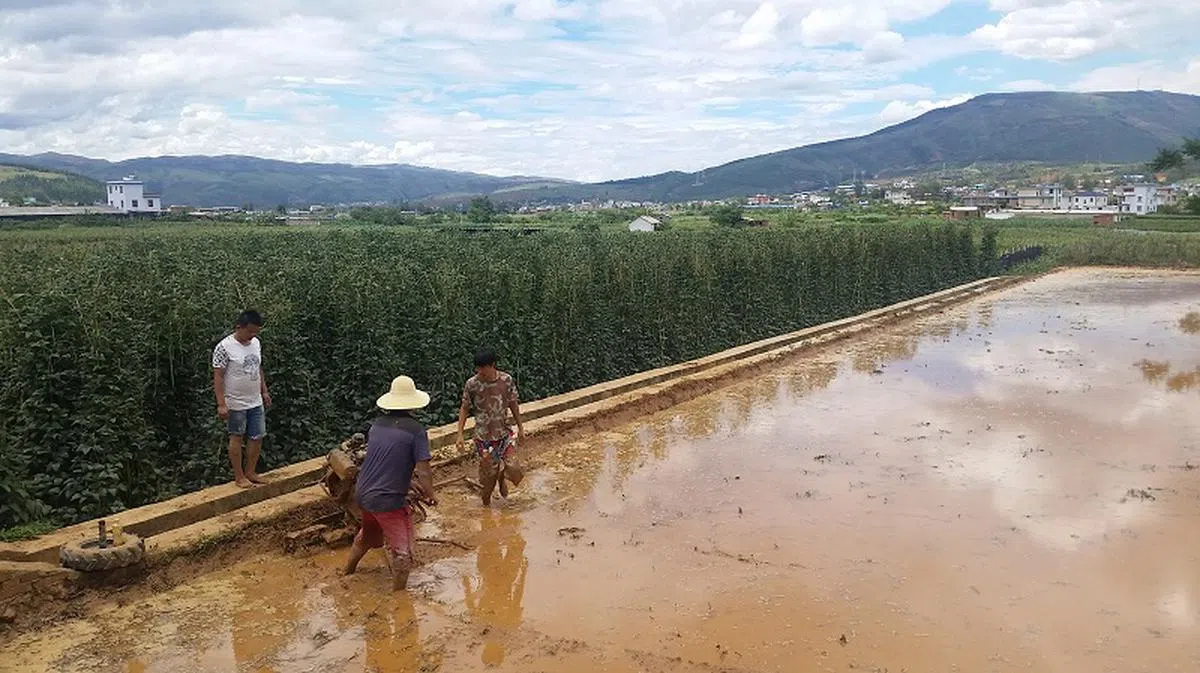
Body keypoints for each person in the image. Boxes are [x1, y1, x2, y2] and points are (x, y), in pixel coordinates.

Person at [344, 375, 437, 591]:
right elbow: (424, 471)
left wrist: (408, 483)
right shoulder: (416, 430)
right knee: (403, 553)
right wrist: (431, 494)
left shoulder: (377, 426)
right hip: (388, 500)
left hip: (363, 493)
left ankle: (347, 571)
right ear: (414, 404)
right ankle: (399, 599)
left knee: (367, 536)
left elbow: (388, 461)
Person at [457, 350, 525, 506]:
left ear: (492, 365)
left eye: (483, 368)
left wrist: (520, 427)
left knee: (514, 468)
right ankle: (487, 504)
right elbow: (464, 408)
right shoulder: (472, 384)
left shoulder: (506, 380)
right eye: (477, 368)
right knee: (487, 481)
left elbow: (513, 403)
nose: (479, 371)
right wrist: (460, 434)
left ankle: (502, 477)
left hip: (504, 433)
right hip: (483, 438)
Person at [212, 310, 271, 489]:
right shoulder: (224, 347)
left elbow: (258, 367)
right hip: (235, 402)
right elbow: (218, 377)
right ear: (239, 327)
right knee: (236, 437)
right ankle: (239, 476)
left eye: (256, 332)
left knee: (257, 436)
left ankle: (251, 471)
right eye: (250, 331)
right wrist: (221, 404)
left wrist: (264, 391)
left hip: (255, 400)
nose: (252, 336)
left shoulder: (256, 343)